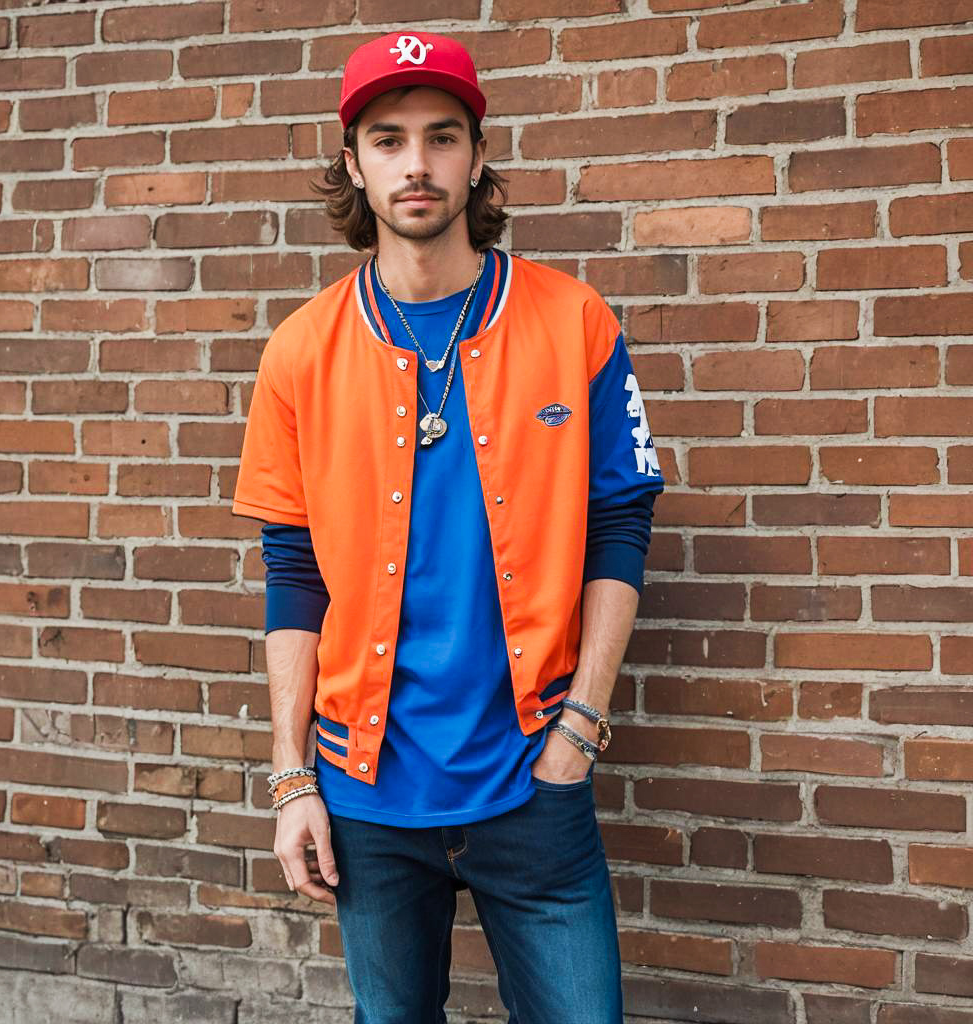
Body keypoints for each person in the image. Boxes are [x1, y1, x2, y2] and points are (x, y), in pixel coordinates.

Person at [232, 30, 665, 1024]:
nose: (416, 164)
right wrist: (291, 778)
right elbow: (291, 571)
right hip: (366, 795)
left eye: (441, 136)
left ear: (477, 156)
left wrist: (579, 733)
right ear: (353, 163)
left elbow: (621, 526)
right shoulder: (299, 351)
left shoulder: (573, 321)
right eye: (387, 140)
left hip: (534, 786)